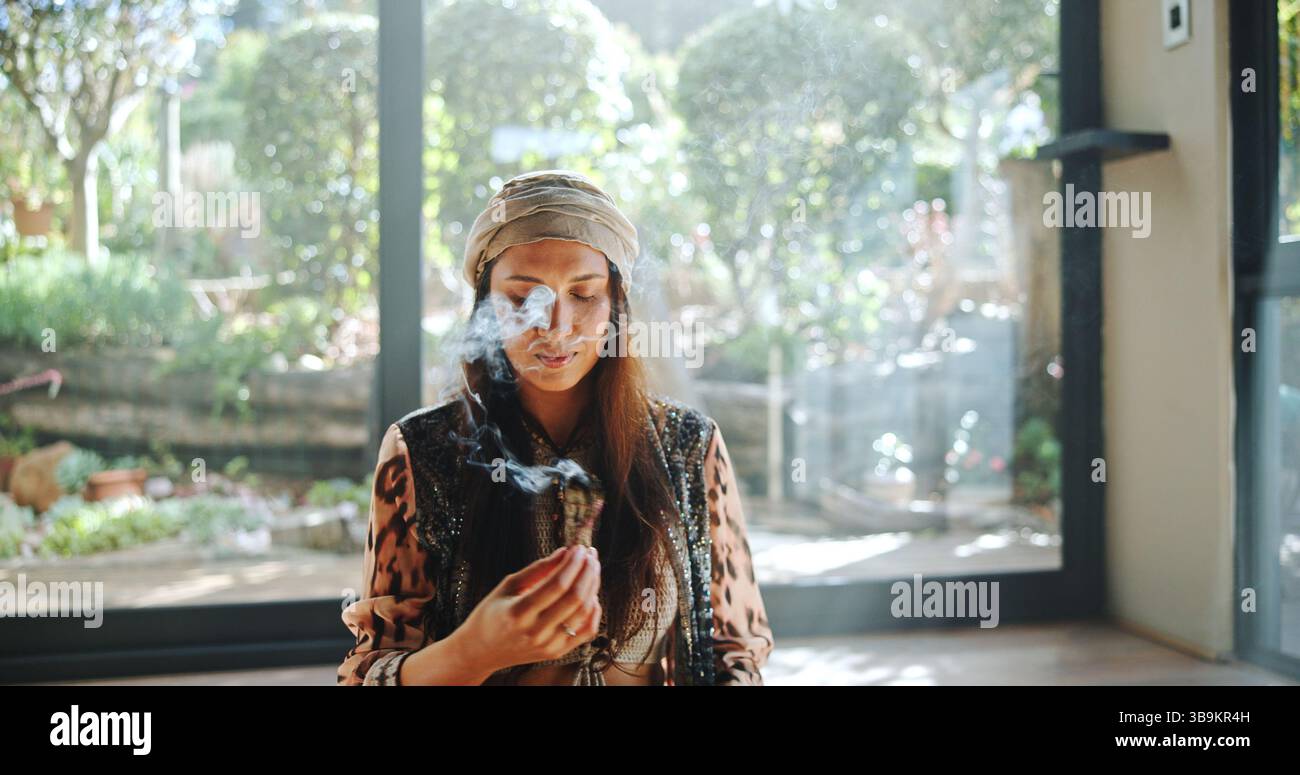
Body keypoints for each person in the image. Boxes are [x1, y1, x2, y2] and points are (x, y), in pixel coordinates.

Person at [338, 169, 773, 685]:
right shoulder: (423, 449)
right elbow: (365, 676)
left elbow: (735, 652)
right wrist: (474, 650)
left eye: (585, 295)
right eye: (522, 298)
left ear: (617, 305)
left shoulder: (687, 445)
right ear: (486, 307)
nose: (555, 325)